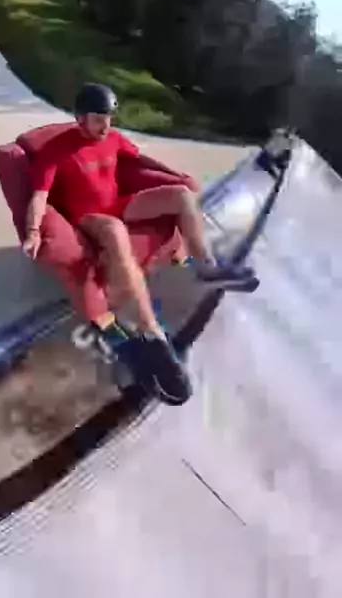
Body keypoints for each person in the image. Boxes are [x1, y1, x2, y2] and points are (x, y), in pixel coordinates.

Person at [22, 83, 254, 403]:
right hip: (88, 217)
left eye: (108, 118)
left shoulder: (113, 139)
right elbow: (38, 196)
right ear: (80, 118)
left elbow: (140, 160)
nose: (105, 126)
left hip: (118, 204)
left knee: (181, 195)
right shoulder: (56, 150)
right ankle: (152, 334)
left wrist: (176, 177)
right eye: (97, 119)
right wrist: (33, 230)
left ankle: (206, 266)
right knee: (115, 230)